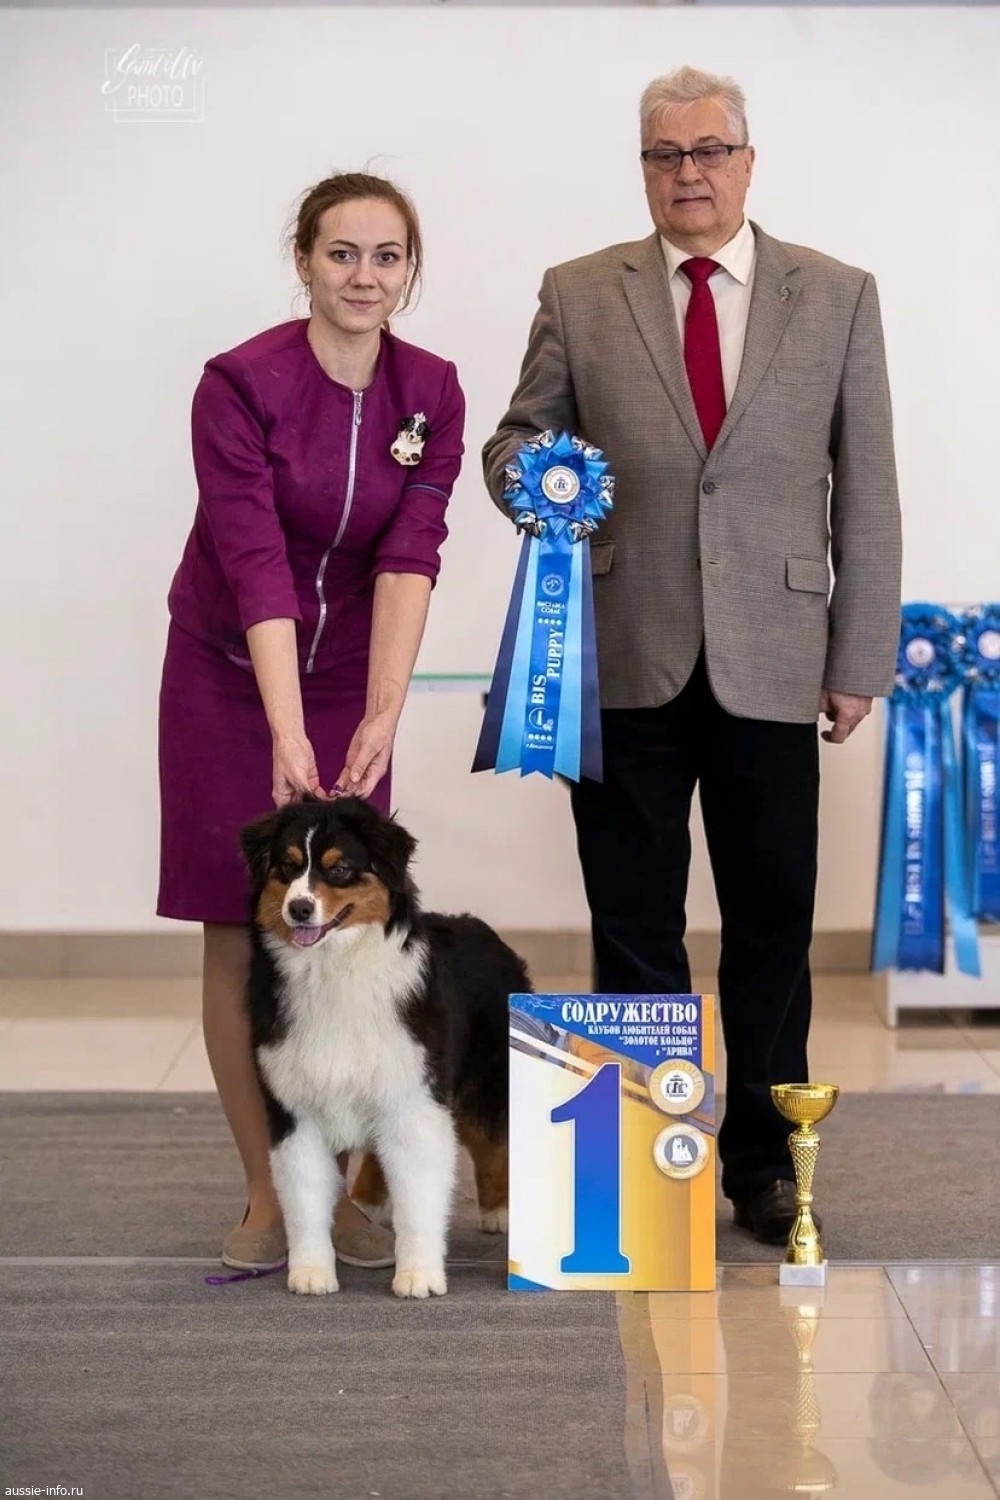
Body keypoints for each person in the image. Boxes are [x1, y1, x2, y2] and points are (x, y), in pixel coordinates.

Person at [483, 67, 901, 1244]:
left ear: (747, 163)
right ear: (643, 170)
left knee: (770, 926)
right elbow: (516, 440)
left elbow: (867, 488)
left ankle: (761, 1164)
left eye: (709, 150)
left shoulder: (837, 295)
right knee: (633, 925)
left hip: (778, 658)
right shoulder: (579, 291)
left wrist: (858, 656)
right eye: (665, 155)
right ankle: (640, 1168)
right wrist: (536, 483)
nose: (689, 173)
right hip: (624, 657)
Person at [157, 171, 465, 1271]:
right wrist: (284, 730)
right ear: (303, 261)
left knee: (339, 929)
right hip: (227, 672)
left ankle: (336, 1185)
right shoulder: (240, 384)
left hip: (348, 679)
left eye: (387, 257)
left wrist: (383, 709)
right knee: (238, 922)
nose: (364, 277)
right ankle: (269, 1192)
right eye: (342, 253)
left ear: (408, 271)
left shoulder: (431, 390)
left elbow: (411, 554)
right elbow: (252, 559)